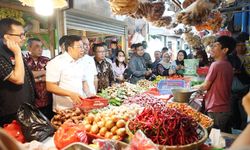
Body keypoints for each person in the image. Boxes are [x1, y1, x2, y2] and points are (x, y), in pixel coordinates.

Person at [194, 36, 236, 133]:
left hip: (216, 109)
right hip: (225, 108)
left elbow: (205, 86)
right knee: (224, 138)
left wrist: (189, 88)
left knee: (215, 140)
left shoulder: (216, 65)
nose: (212, 48)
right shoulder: (228, 64)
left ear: (225, 50)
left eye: (216, 46)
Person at [0, 18, 36, 126]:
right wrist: (17, 53)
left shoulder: (14, 51)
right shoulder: (5, 53)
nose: (23, 38)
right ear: (7, 37)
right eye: (20, 35)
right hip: (10, 113)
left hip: (25, 108)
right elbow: (18, 79)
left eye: (24, 34)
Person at [46, 35, 93, 111]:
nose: (83, 50)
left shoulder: (80, 62)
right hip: (64, 109)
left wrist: (89, 94)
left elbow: (83, 81)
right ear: (70, 49)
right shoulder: (56, 62)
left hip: (80, 106)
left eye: (83, 47)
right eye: (79, 47)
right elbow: (50, 86)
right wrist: (70, 94)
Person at [25, 38, 53, 119]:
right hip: (32, 101)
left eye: (41, 46)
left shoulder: (47, 60)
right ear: (29, 48)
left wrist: (34, 76)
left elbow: (51, 75)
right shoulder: (24, 61)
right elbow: (26, 76)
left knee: (50, 123)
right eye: (37, 46)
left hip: (47, 100)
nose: (40, 49)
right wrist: (44, 72)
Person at [228, 38, 250, 129]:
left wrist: (242, 72)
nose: (241, 47)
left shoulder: (248, 57)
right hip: (232, 90)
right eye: (239, 45)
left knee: (244, 114)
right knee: (233, 114)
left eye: (243, 45)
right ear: (235, 47)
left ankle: (243, 131)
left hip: (245, 89)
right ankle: (236, 130)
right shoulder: (230, 57)